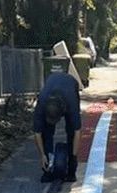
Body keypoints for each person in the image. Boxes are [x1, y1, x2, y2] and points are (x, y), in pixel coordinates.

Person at [35, 49, 83, 183]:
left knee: (71, 129)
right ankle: (48, 165)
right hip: (52, 83)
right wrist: (42, 155)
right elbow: (37, 133)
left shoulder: (71, 102)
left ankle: (71, 168)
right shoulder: (42, 102)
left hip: (70, 85)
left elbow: (77, 132)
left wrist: (73, 159)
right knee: (46, 132)